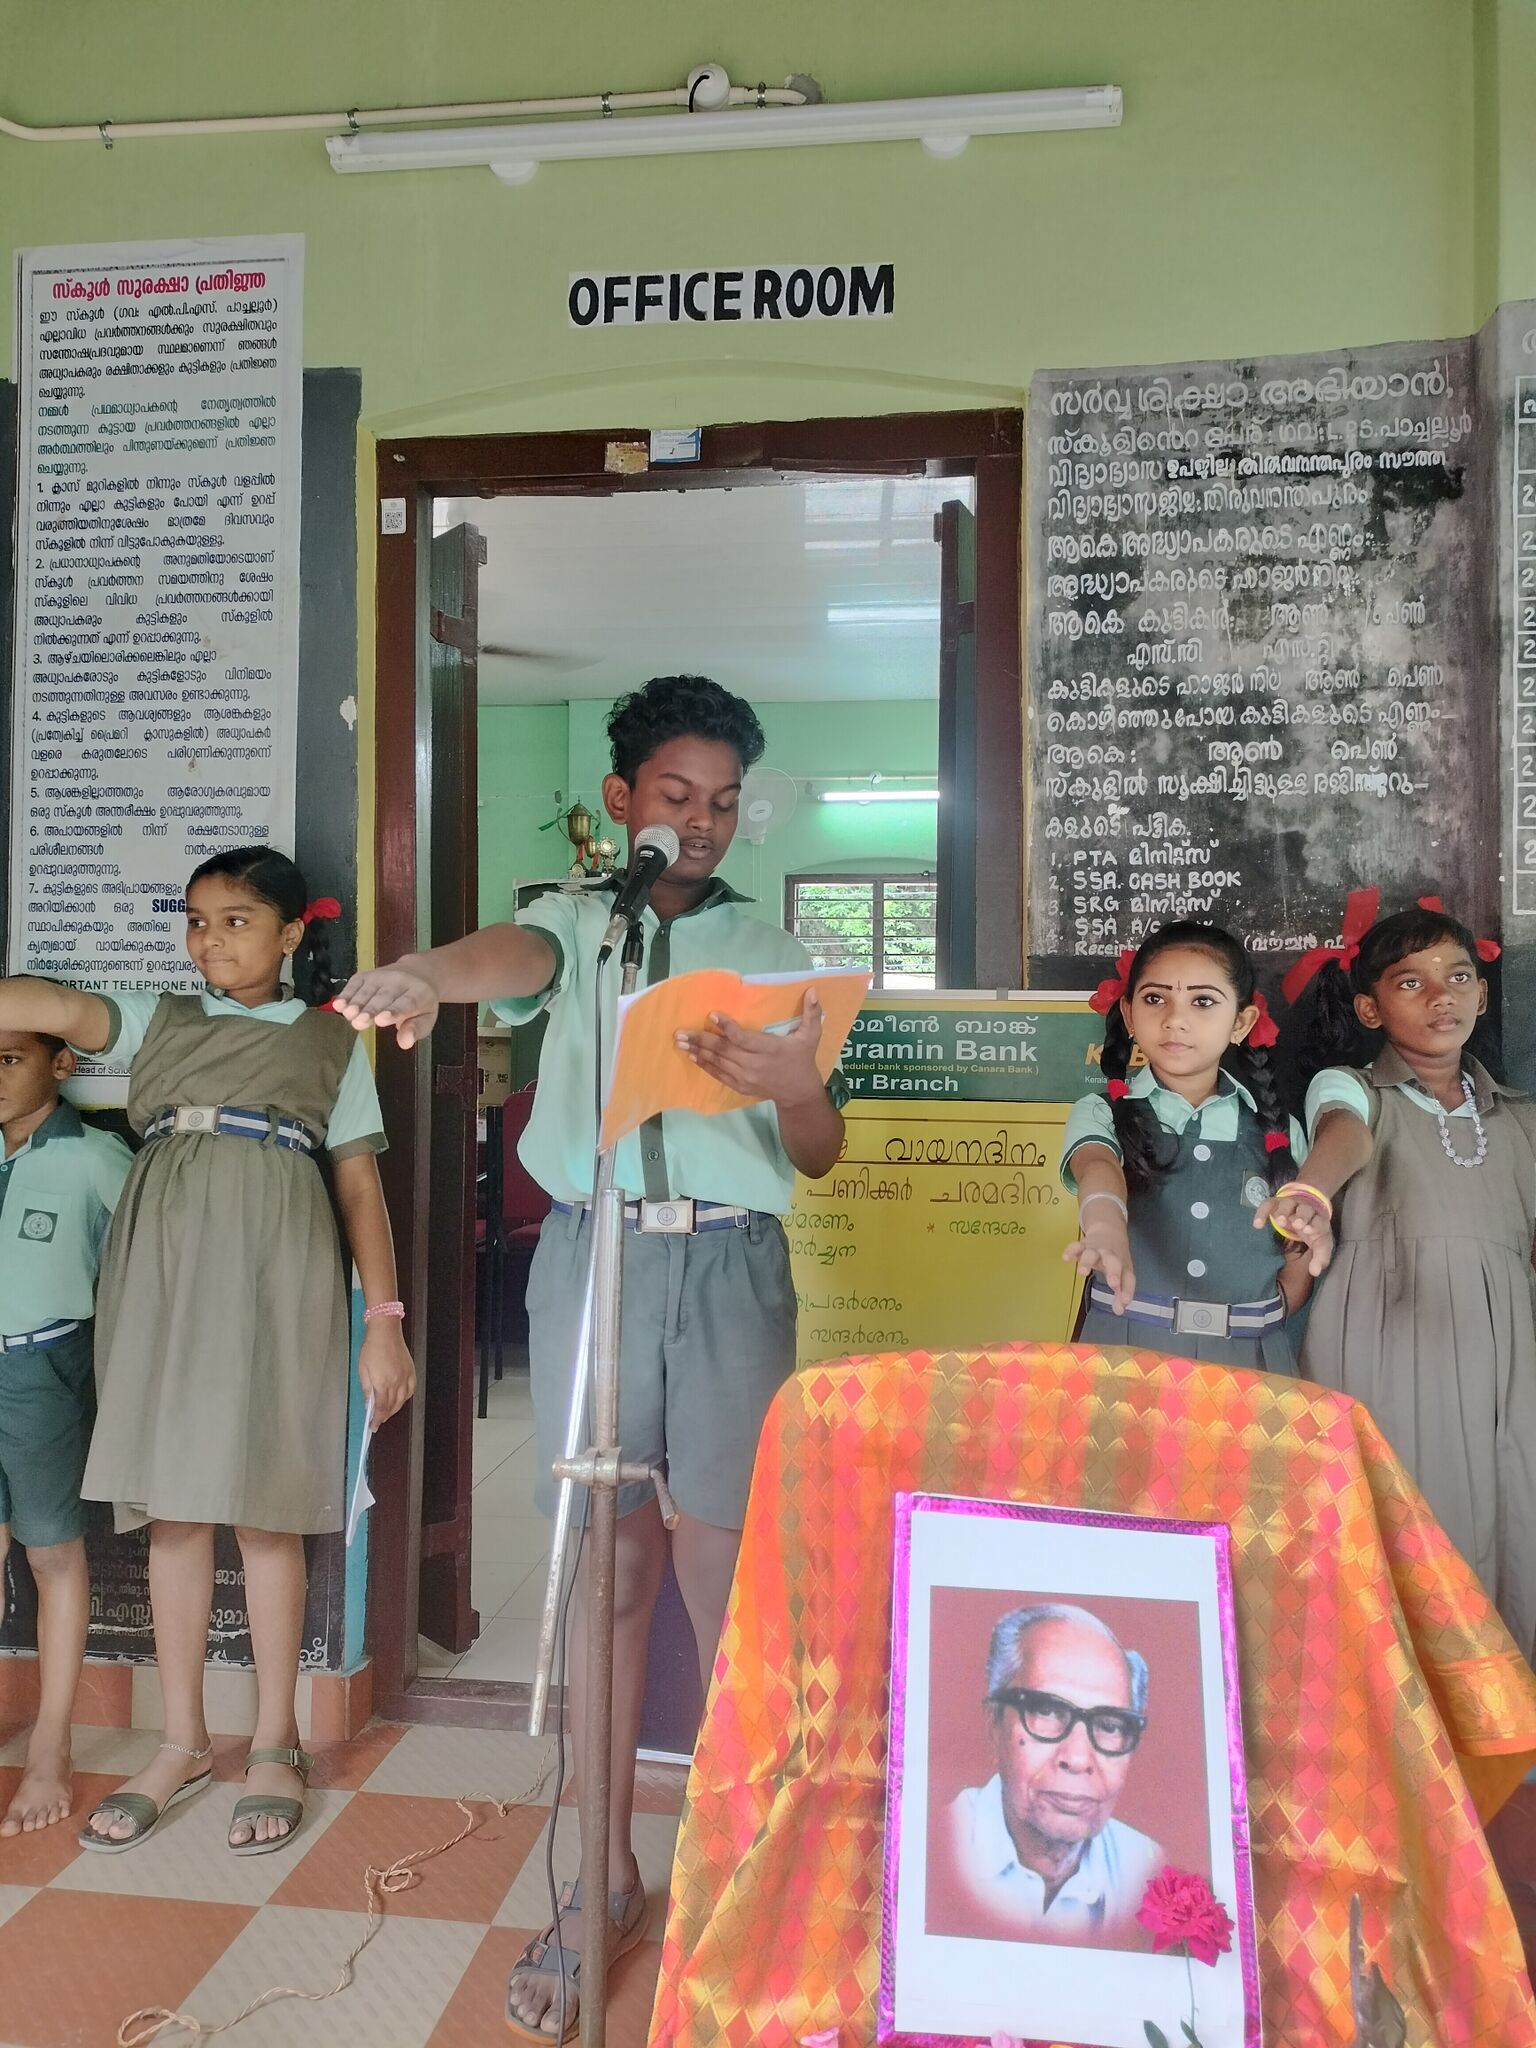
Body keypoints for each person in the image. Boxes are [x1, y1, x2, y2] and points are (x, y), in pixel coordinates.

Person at [335, 674, 845, 2042]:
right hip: (592, 1251)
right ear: (622, 800)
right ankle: (602, 1878)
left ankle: (731, 1878)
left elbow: (817, 1150)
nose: (703, 820)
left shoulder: (772, 945)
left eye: (724, 800)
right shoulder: (579, 923)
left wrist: (796, 1084)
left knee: (724, 1579)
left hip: (732, 1265)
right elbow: (497, 957)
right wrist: (420, 973)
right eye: (677, 795)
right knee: (604, 1570)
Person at [0, 846, 415, 1856]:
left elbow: (359, 1185)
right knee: (174, 1511)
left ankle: (275, 1740)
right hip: (163, 1275)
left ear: (292, 933)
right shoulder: (161, 1016)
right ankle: (181, 1740)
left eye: (236, 920)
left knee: (267, 1512)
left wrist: (385, 1321)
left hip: (279, 1270)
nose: (210, 940)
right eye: (196, 920)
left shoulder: (332, 1041)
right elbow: (46, 1005)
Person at [1270, 892, 1536, 1657]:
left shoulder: (1520, 1117)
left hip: (1503, 1360)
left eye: (1458, 977)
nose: (1441, 996)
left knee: (1511, 1524)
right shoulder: (1353, 1088)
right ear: (1371, 1007)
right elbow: (1342, 1136)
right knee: (1403, 1527)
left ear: (1482, 996)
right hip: (1387, 1337)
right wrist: (1312, 1192)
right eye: (1411, 982)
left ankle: (1497, 1717)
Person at [1061, 922, 1325, 1373]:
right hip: (1124, 1356)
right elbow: (1097, 1168)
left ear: (1241, 1022)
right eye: (1154, 999)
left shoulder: (1280, 1131)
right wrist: (1103, 1225)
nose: (1175, 1019)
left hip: (1252, 1361)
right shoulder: (1101, 1112)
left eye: (1202, 1001)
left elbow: (1300, 1236)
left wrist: (1282, 1301)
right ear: (1128, 1014)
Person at [0, 1031, 131, 1837]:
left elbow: (149, 1263)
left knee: (51, 1553)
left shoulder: (94, 1157)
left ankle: (51, 1744)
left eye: (9, 1058)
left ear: (61, 1065)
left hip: (43, 1367)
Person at [944, 1603, 1165, 1947]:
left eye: (1109, 1725)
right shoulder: (935, 1848)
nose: (1077, 1759)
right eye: (1046, 1711)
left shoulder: (1151, 1873)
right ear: (994, 1724)